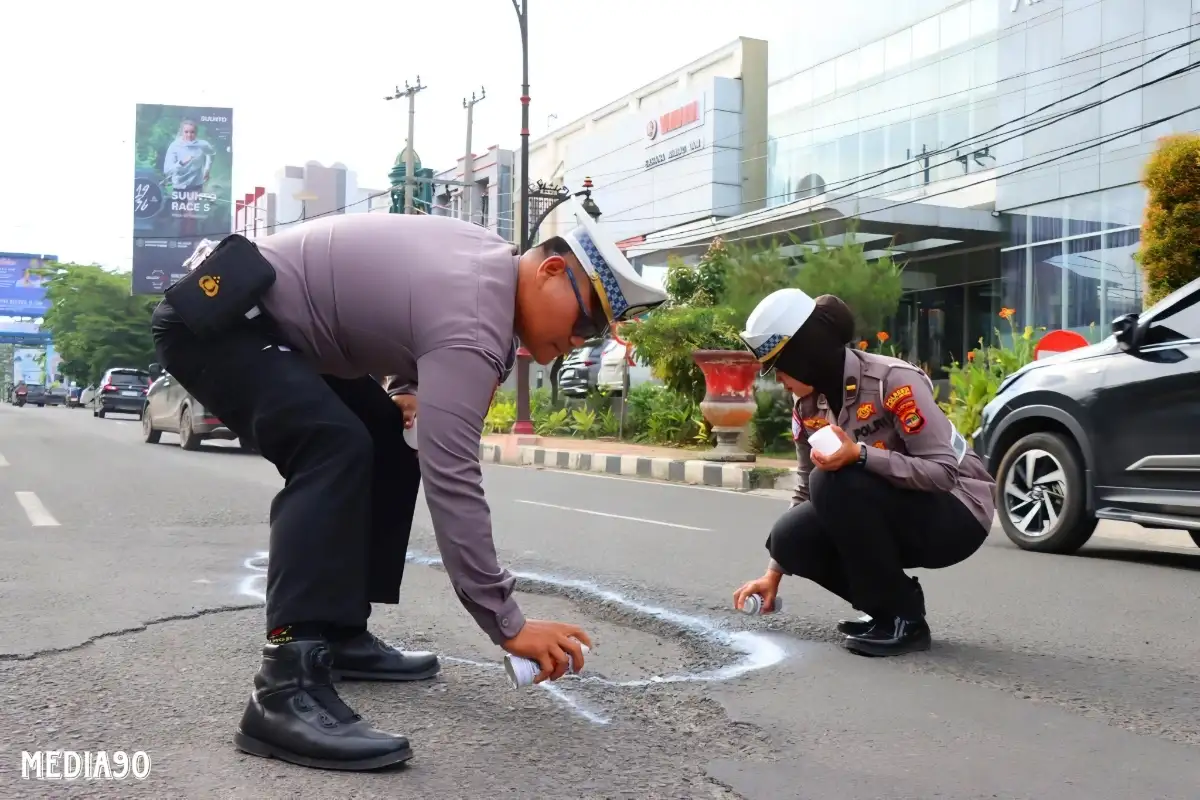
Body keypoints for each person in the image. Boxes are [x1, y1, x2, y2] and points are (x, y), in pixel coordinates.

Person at [150, 199, 666, 771]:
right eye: (586, 320)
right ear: (548, 271)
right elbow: (454, 480)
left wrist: (404, 385)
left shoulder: (484, 265)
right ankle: (282, 687)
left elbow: (396, 305)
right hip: (221, 320)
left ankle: (341, 633)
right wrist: (507, 623)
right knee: (332, 447)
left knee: (386, 433)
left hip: (271, 323)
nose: (580, 341)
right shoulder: (477, 321)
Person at [732, 289, 995, 657]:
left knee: (836, 480)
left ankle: (905, 621)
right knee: (789, 537)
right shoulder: (808, 407)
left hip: (957, 513)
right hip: (891, 508)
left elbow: (943, 474)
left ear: (805, 353)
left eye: (780, 366)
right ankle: (889, 608)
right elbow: (806, 491)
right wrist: (775, 571)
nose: (779, 380)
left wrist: (860, 455)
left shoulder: (893, 382)